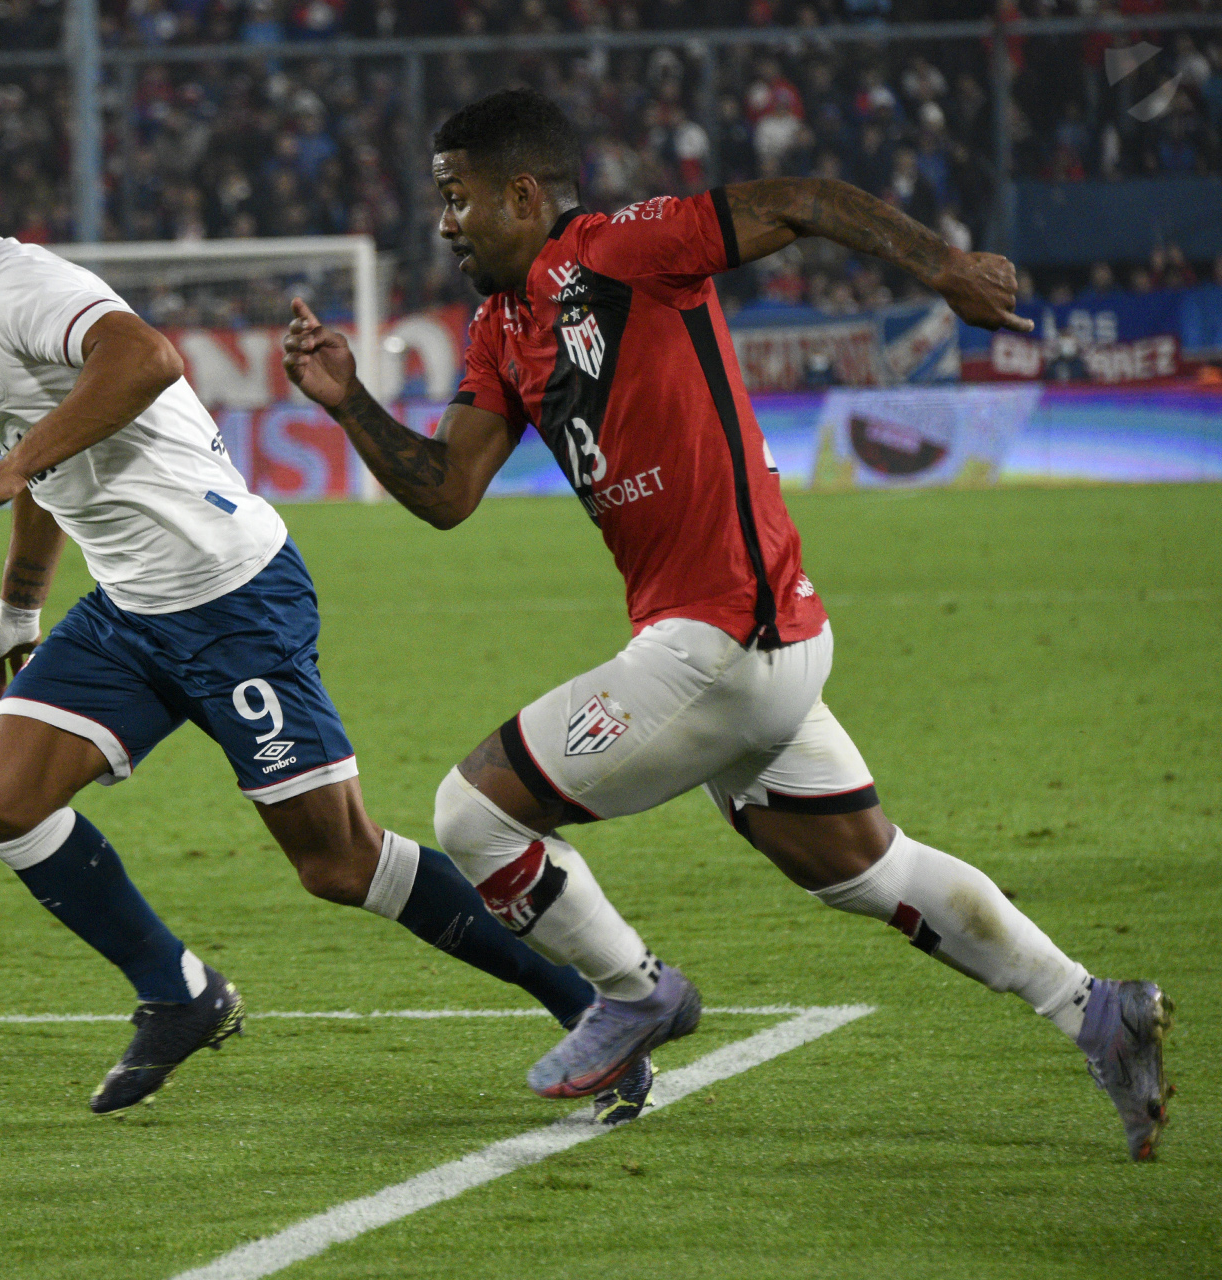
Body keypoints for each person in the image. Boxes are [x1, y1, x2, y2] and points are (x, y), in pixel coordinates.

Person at [282, 88, 1172, 1161]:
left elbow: (801, 200)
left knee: (473, 814)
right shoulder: (501, 327)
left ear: (521, 194)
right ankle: (1097, 1009)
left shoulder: (625, 249)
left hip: (723, 639)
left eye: (456, 198)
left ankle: (633, 991)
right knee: (865, 867)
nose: (444, 223)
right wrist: (348, 400)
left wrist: (942, 265)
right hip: (754, 646)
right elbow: (447, 490)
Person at [0, 136, 651, 1120]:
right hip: (131, 609)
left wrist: (10, 468)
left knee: (339, 862)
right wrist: (18, 608)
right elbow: (43, 458)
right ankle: (180, 993)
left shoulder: (21, 288)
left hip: (231, 598)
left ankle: (593, 1008)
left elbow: (144, 358)